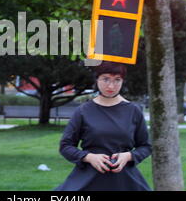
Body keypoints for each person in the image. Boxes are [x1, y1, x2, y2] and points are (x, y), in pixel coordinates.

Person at [56, 61, 152, 191]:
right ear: (97, 79)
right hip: (88, 178)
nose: (111, 85)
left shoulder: (133, 111)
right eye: (105, 79)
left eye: (117, 80)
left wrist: (129, 156)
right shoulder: (83, 111)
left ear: (123, 81)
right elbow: (65, 146)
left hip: (124, 181)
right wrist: (88, 157)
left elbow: (146, 146)